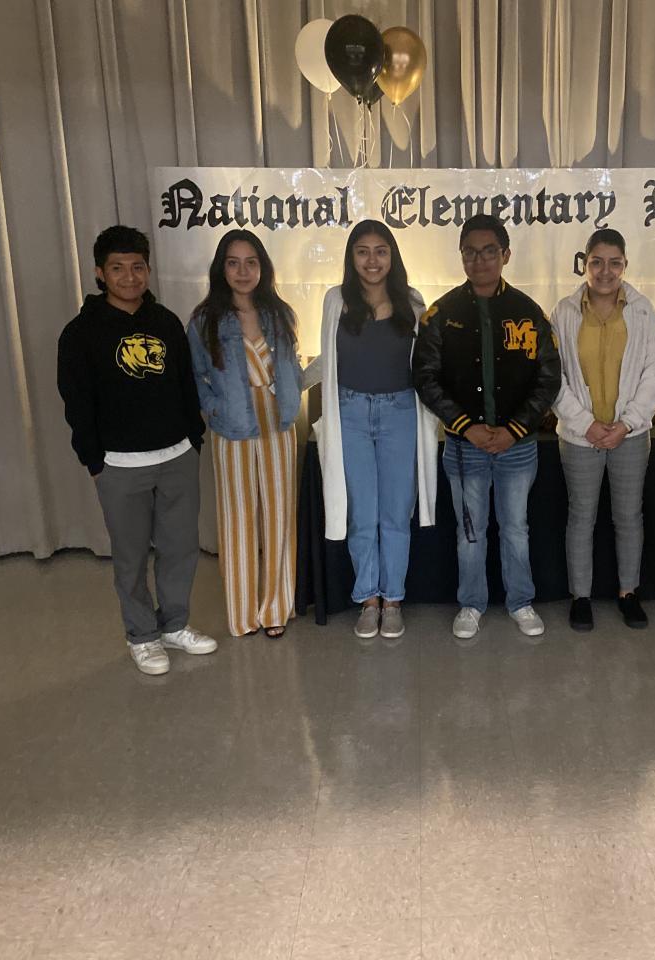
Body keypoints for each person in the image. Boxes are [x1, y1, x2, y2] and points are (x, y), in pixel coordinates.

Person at [57, 225, 216, 676]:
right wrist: (94, 461)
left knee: (180, 548)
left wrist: (193, 439)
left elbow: (186, 386)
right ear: (100, 273)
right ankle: (142, 636)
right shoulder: (80, 334)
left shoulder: (165, 322)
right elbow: (77, 403)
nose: (130, 277)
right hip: (120, 466)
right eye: (118, 268)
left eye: (138, 267)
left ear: (148, 269)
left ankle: (175, 625)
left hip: (177, 456)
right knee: (130, 558)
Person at [413, 214, 561, 642]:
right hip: (465, 446)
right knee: (470, 533)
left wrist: (515, 429)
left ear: (506, 255)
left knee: (516, 530)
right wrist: (466, 427)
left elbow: (549, 378)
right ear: (461, 256)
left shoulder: (529, 313)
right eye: (470, 252)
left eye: (489, 251)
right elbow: (425, 377)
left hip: (518, 445)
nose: (479, 261)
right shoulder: (441, 314)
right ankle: (472, 603)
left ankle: (520, 601)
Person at [313, 220, 439, 643]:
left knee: (396, 513)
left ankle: (394, 600)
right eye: (362, 251)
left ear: (392, 256)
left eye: (380, 251)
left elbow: (427, 363)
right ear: (351, 257)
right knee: (362, 513)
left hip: (400, 413)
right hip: (350, 413)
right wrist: (288, 382)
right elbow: (327, 360)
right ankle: (368, 599)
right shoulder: (336, 301)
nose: (372, 260)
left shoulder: (413, 303)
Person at [187, 229, 302, 639]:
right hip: (232, 426)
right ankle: (242, 614)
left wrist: (296, 391)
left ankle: (276, 608)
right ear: (221, 268)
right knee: (238, 520)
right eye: (233, 263)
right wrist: (213, 408)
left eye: (250, 262)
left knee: (279, 517)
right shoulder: (204, 320)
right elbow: (194, 376)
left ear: (262, 267)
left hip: (278, 424)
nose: (242, 271)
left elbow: (291, 365)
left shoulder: (279, 313)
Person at [550, 228, 655, 631]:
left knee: (628, 517)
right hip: (579, 436)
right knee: (581, 517)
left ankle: (628, 593)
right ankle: (580, 598)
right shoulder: (564, 312)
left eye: (614, 263)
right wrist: (586, 424)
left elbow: (654, 372)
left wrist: (626, 423)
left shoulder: (643, 310)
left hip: (629, 436)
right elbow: (555, 377)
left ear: (625, 265)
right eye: (596, 262)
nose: (605, 271)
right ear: (584, 264)